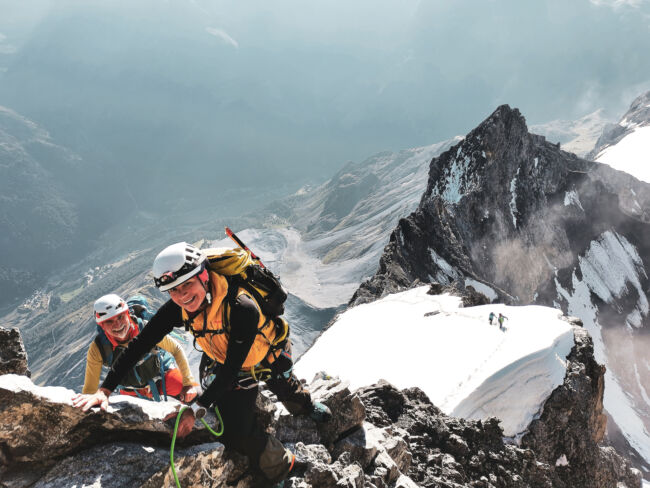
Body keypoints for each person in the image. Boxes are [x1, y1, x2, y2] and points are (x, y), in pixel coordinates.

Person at [73, 242, 331, 486]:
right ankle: (285, 466)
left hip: (267, 355)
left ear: (204, 276)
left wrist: (195, 408)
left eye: (186, 285)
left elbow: (232, 368)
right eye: (173, 290)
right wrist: (105, 390)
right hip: (223, 361)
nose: (181, 295)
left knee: (286, 388)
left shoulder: (242, 307)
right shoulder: (179, 307)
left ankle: (306, 406)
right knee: (236, 430)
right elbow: (141, 343)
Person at [83, 293, 199, 402]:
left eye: (120, 317)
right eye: (109, 322)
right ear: (101, 326)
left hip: (160, 377)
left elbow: (175, 349)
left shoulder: (146, 329)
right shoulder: (98, 348)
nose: (117, 325)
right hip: (131, 390)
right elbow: (90, 390)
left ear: (128, 313)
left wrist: (188, 383)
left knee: (191, 394)